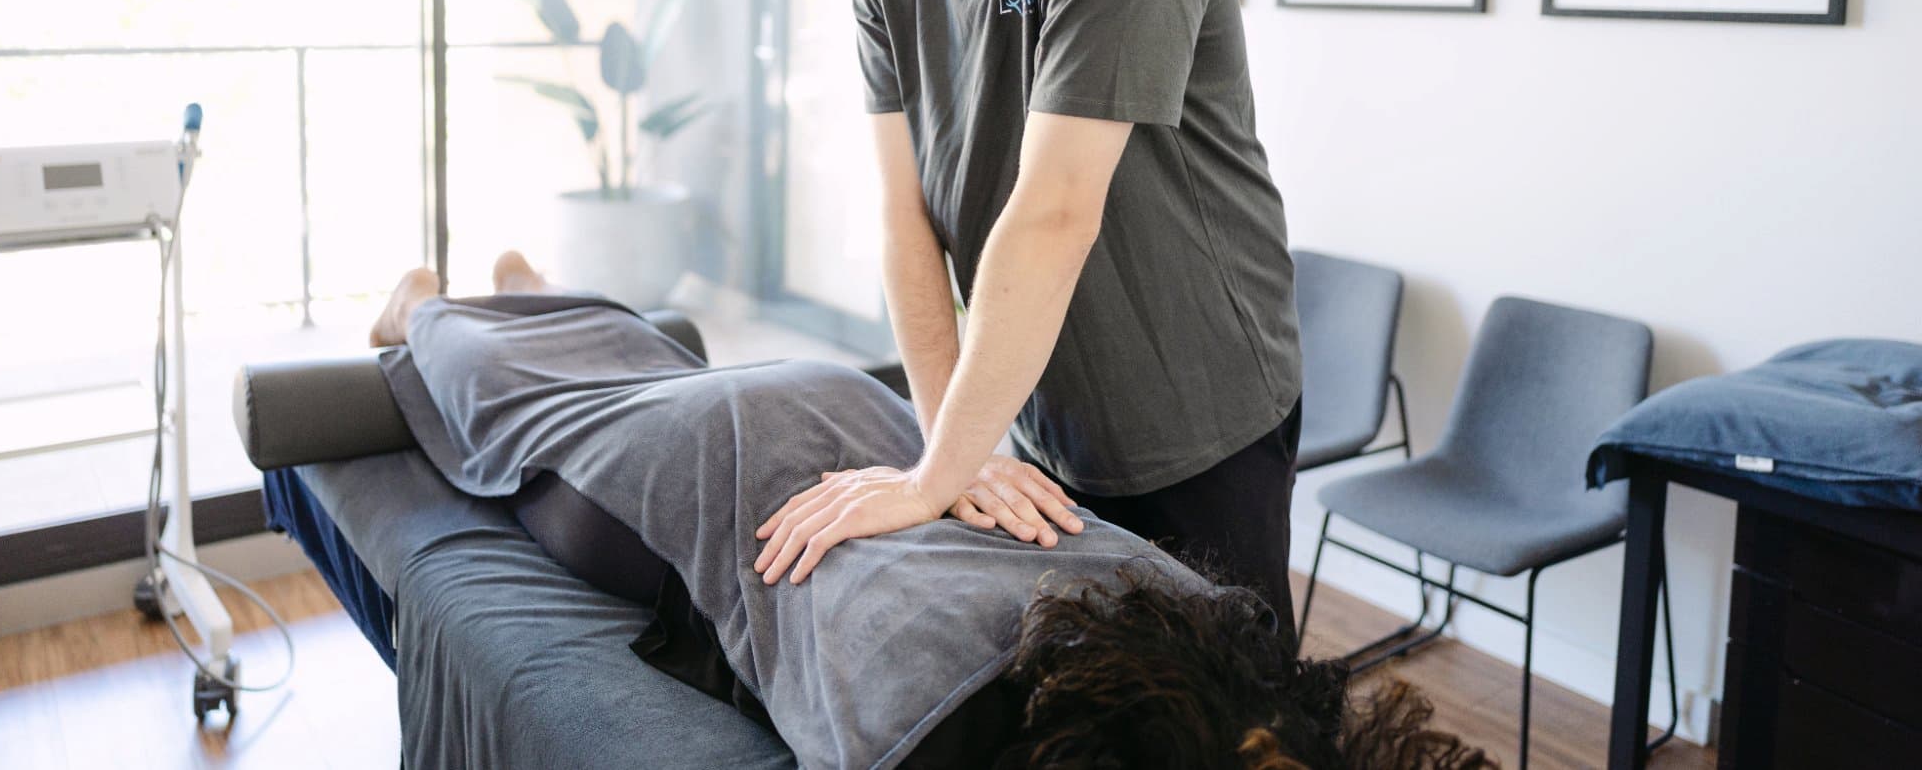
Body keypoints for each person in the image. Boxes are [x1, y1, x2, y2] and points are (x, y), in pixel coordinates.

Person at [745, 0, 1305, 640]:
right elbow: (905, 218)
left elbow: (1053, 211)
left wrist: (930, 478)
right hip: (1044, 411)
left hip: (1197, 410)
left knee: (1226, 710)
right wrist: (952, 452)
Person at [366, 256, 1492, 770]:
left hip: (866, 425)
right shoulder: (927, 725)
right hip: (732, 465)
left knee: (622, 382)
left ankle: (520, 292)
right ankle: (430, 303)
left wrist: (939, 464)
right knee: (524, 408)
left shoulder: (1197, 617)